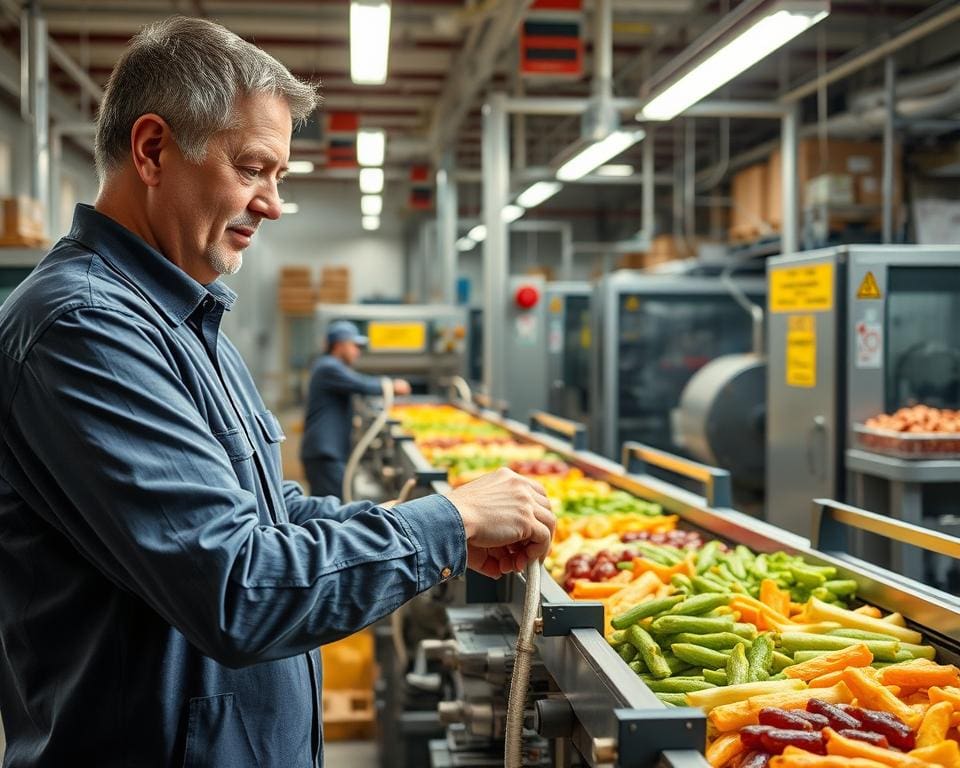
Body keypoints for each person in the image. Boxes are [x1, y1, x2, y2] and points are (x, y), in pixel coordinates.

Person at [0, 16, 555, 767]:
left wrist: (428, 526)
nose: (273, 202)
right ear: (154, 149)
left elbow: (267, 513)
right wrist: (444, 524)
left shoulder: (184, 318)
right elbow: (240, 589)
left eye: (279, 177)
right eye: (253, 168)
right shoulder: (84, 330)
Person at [301, 319, 411, 498]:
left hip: (327, 452)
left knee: (330, 507)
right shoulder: (328, 366)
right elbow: (362, 384)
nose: (358, 352)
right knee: (329, 511)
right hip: (325, 454)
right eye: (354, 345)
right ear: (339, 345)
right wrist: (391, 385)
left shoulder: (329, 366)